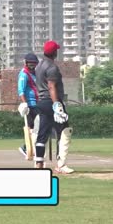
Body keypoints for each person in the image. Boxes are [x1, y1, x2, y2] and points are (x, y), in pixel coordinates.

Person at [34, 40, 74, 174]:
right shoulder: (52, 67)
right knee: (64, 131)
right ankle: (61, 164)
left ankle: (38, 163)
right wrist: (57, 104)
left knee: (43, 133)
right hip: (52, 102)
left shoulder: (39, 66)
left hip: (42, 101)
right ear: (54, 52)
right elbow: (51, 86)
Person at [17, 53, 40, 159]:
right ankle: (26, 148)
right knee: (30, 129)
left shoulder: (35, 73)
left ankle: (29, 148)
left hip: (37, 103)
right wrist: (24, 103)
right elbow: (21, 91)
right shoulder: (24, 74)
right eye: (30, 64)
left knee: (37, 128)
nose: (32, 66)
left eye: (34, 64)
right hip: (29, 105)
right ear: (26, 63)